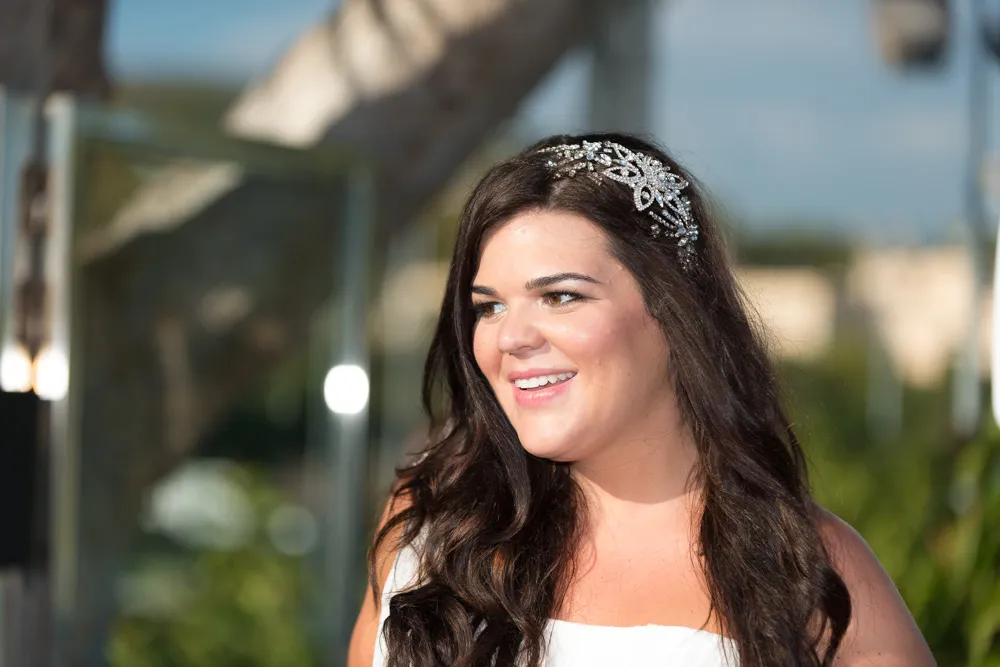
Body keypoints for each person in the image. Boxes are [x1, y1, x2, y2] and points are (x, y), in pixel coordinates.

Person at [347, 133, 936, 667]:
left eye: (560, 297)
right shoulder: (431, 527)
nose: (511, 337)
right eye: (489, 306)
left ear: (671, 311)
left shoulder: (807, 567)